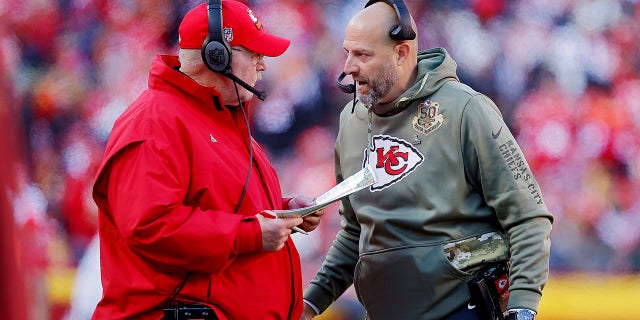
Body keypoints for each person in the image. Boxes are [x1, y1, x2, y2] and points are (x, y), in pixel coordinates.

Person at [301, 1, 553, 320]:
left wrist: (522, 307)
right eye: (347, 52)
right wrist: (310, 304)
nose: (349, 66)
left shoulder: (466, 110)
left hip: (463, 311)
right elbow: (356, 232)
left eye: (363, 55)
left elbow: (527, 217)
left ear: (402, 53)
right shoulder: (351, 122)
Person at [91, 1, 323, 319]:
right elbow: (149, 225)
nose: (263, 65)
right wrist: (252, 233)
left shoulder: (216, 118)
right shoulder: (153, 122)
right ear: (217, 57)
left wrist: (281, 212)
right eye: (254, 53)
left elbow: (218, 205)